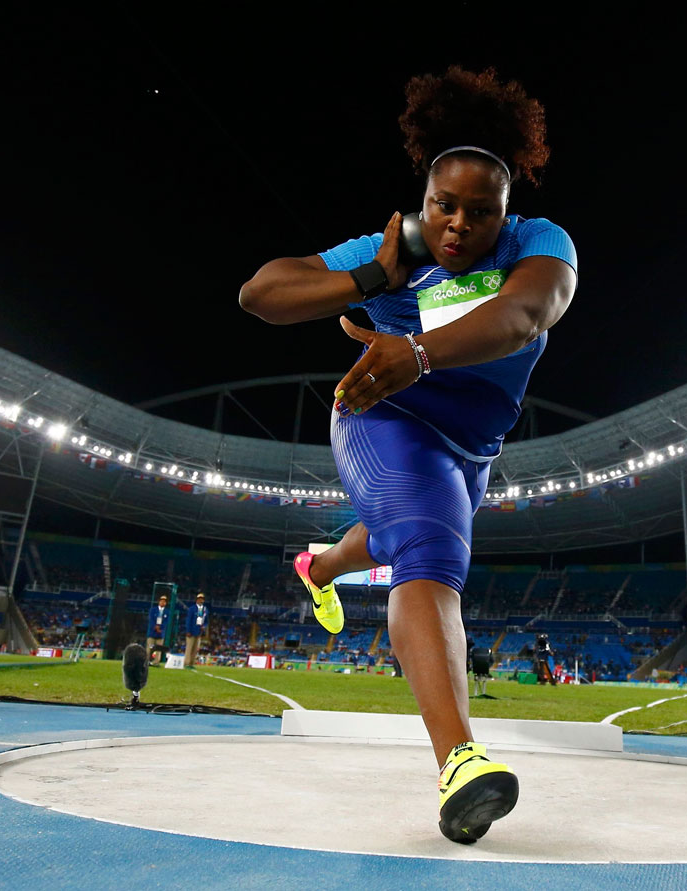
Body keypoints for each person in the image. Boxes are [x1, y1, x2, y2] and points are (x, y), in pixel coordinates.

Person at [240, 66, 576, 844]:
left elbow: (526, 315)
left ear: (507, 213)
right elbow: (261, 293)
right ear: (423, 203)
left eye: (480, 212)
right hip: (381, 416)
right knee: (428, 551)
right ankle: (460, 761)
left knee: (404, 532)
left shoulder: (540, 246)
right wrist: (369, 278)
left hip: (472, 445)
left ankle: (319, 566)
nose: (458, 225)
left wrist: (417, 352)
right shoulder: (391, 250)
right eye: (443, 206)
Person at [183, 592, 207, 668]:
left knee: (195, 649)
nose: (201, 601)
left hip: (199, 631)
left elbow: (206, 621)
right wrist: (188, 631)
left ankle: (191, 663)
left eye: (202, 599)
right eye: (200, 599)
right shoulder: (192, 609)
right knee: (189, 648)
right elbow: (188, 620)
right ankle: (186, 663)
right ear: (197, 600)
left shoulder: (205, 610)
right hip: (191, 631)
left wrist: (204, 626)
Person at [146, 593, 170, 665]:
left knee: (158, 649)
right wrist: (155, 627)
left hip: (160, 633)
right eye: (161, 601)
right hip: (152, 632)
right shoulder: (153, 610)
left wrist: (161, 628)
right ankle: (147, 661)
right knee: (150, 647)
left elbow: (166, 622)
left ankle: (156, 662)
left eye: (164, 601)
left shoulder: (167, 612)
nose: (163, 602)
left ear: (166, 603)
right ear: (159, 601)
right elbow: (151, 619)